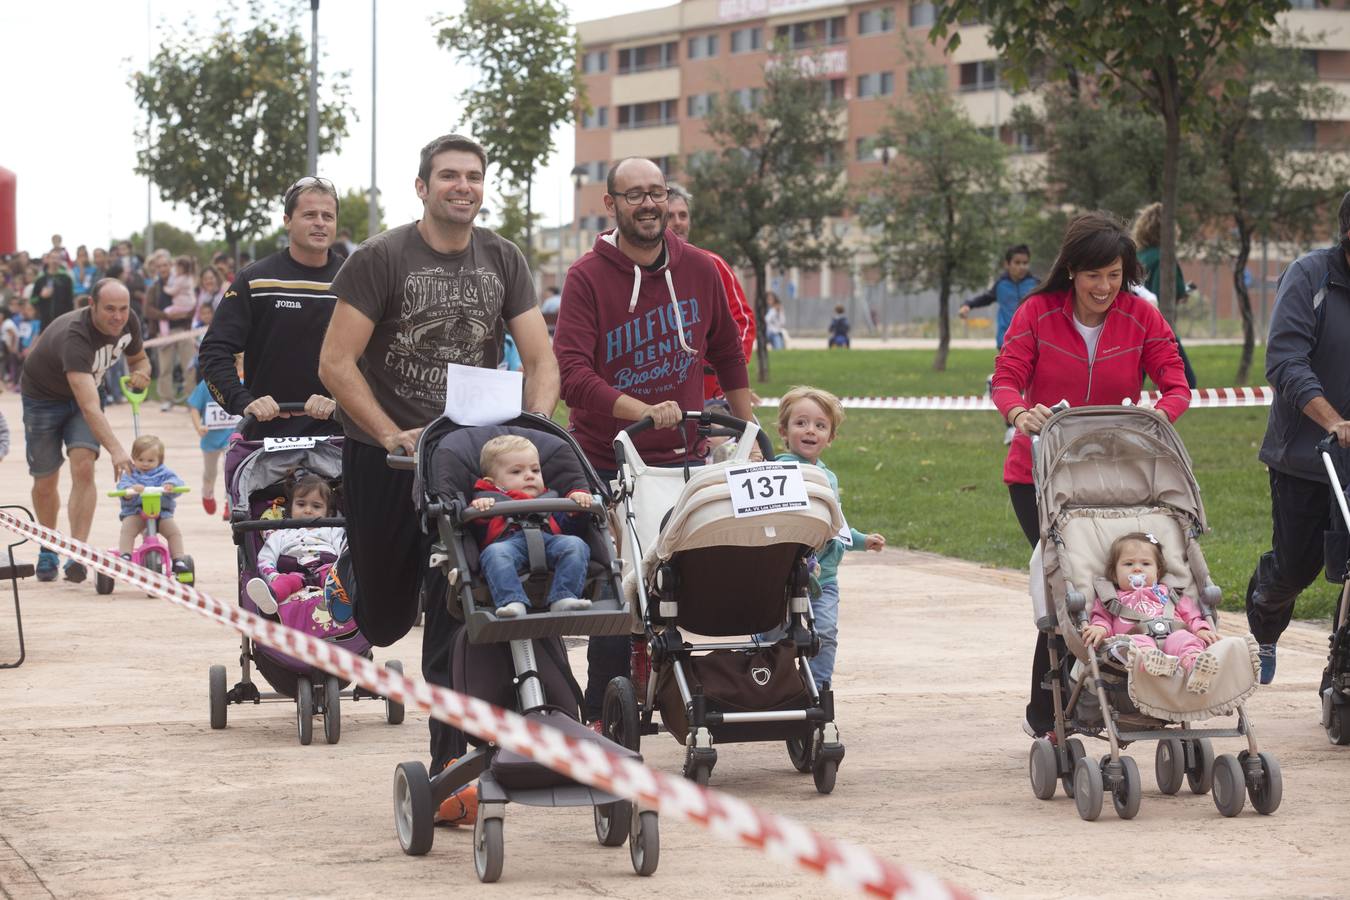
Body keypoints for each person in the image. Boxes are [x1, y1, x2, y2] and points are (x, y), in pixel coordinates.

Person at [318, 133, 558, 815]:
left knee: (459, 601)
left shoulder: (503, 257)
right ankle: (355, 576)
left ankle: (449, 760)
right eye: (448, 176)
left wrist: (530, 426)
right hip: (385, 455)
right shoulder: (381, 258)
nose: (463, 186)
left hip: (461, 456)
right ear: (422, 187)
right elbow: (335, 364)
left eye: (474, 176)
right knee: (389, 619)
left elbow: (541, 358)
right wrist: (389, 430)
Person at [552, 156, 754, 722]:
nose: (648, 204)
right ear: (610, 204)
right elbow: (572, 375)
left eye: (657, 193)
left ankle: (713, 692)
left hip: (684, 458)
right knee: (625, 586)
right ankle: (602, 711)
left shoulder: (699, 268)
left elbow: (727, 352)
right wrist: (642, 411)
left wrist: (751, 433)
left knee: (703, 579)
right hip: (608, 456)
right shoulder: (586, 277)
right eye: (634, 194)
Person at [991, 211, 1190, 739]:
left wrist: (1158, 416)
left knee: (1110, 583)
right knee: (1070, 583)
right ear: (1072, 272)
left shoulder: (1141, 317)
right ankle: (1051, 713)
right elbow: (1005, 379)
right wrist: (1019, 414)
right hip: (1039, 476)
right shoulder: (1036, 312)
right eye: (1094, 275)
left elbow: (1176, 382)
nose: (1105, 287)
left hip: (1117, 475)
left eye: (1115, 275)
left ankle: (1124, 696)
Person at [1244, 190, 1350, 686]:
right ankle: (1265, 614)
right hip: (1308, 457)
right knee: (1297, 569)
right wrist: (1333, 420)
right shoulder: (1310, 277)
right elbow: (1285, 360)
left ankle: (1340, 672)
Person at [20, 279, 152, 581]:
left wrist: (142, 373)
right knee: (45, 479)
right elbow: (89, 407)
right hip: (43, 399)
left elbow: (139, 358)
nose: (118, 316)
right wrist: (117, 450)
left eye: (123, 308)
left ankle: (76, 552)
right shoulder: (75, 337)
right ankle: (48, 546)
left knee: (83, 467)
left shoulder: (129, 321)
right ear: (91, 305)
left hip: (88, 391)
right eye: (109, 309)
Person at [198, 176, 345, 442]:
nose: (320, 222)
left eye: (328, 216)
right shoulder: (255, 279)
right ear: (287, 221)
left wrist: (343, 403)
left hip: (340, 438)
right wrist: (242, 401)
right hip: (266, 440)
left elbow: (381, 357)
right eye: (309, 214)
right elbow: (214, 350)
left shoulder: (355, 280)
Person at [762, 386, 884, 690]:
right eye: (800, 423)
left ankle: (817, 689)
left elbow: (835, 521)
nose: (810, 431)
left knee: (825, 633)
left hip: (823, 576)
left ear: (830, 437)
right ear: (783, 430)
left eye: (820, 425)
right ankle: (768, 683)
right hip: (780, 573)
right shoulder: (776, 469)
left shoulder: (828, 476)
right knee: (772, 634)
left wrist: (860, 539)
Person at [470, 434, 594, 618]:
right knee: (494, 553)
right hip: (509, 544)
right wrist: (480, 511)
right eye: (516, 472)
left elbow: (570, 527)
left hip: (550, 542)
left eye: (535, 470)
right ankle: (511, 601)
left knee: (575, 544)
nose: (529, 476)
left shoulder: (551, 499)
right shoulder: (489, 500)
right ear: (491, 482)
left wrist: (576, 509)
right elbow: (476, 531)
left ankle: (564, 597)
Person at [1082, 532, 1221, 694]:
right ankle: (1154, 663)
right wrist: (1100, 628)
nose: (1137, 569)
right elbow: (1102, 618)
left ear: (1157, 572)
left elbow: (1191, 615)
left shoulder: (1169, 593)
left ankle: (1196, 667)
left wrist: (1200, 628)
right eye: (1128, 564)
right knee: (1136, 644)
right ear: (1114, 573)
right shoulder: (1112, 599)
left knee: (1184, 639)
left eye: (1146, 564)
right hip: (1135, 638)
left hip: (1172, 633)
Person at [664, 183, 756, 404]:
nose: (678, 222)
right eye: (670, 216)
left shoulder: (712, 265)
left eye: (683, 215)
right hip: (661, 398)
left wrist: (729, 368)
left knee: (741, 438)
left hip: (713, 395)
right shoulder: (641, 274)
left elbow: (742, 321)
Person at [245, 474, 346, 616]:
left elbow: (345, 552)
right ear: (290, 508)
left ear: (328, 512)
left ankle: (344, 602)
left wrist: (341, 571)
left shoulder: (333, 530)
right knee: (285, 582)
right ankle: (271, 596)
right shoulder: (280, 534)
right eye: (301, 504)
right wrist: (274, 576)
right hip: (294, 575)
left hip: (328, 573)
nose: (308, 510)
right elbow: (265, 559)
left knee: (340, 579)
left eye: (316, 506)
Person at [1132, 203, 1198, 388]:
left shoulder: (1138, 256)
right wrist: (1182, 292)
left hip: (1133, 328)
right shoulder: (1164, 258)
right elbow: (1168, 292)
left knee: (1132, 385)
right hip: (1157, 329)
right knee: (1186, 383)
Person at [116, 434, 188, 568]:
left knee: (173, 532)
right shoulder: (131, 474)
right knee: (127, 529)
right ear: (133, 458)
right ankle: (125, 555)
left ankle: (178, 559)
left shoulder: (164, 473)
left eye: (150, 460)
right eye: (140, 459)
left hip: (161, 513)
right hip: (136, 513)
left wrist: (171, 486)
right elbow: (122, 487)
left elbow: (178, 483)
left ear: (159, 460)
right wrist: (130, 490)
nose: (145, 463)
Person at [186, 352, 242, 516]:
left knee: (230, 470)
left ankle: (229, 503)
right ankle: (207, 493)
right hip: (210, 439)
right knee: (210, 473)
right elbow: (194, 407)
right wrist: (198, 426)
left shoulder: (242, 385)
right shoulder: (206, 386)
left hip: (231, 438)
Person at [959, 244, 1037, 350]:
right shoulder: (1001, 285)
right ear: (1007, 264)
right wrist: (968, 305)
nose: (1022, 267)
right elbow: (985, 298)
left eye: (1025, 263)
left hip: (1031, 341)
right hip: (1005, 341)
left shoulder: (1036, 284)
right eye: (1017, 263)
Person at [156, 254, 199, 410]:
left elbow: (194, 306)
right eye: (159, 266)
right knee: (165, 367)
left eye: (166, 265)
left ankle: (191, 400)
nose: (163, 268)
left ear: (171, 266)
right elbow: (149, 310)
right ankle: (167, 399)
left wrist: (184, 314)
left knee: (188, 366)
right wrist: (166, 315)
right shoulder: (156, 286)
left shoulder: (182, 280)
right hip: (165, 333)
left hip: (184, 330)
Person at [30, 251, 74, 328]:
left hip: (62, 320)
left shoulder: (66, 278)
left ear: (61, 261)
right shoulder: (40, 279)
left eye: (57, 258)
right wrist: (41, 296)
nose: (55, 261)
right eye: (53, 258)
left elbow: (70, 300)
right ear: (48, 259)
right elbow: (32, 300)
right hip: (45, 320)